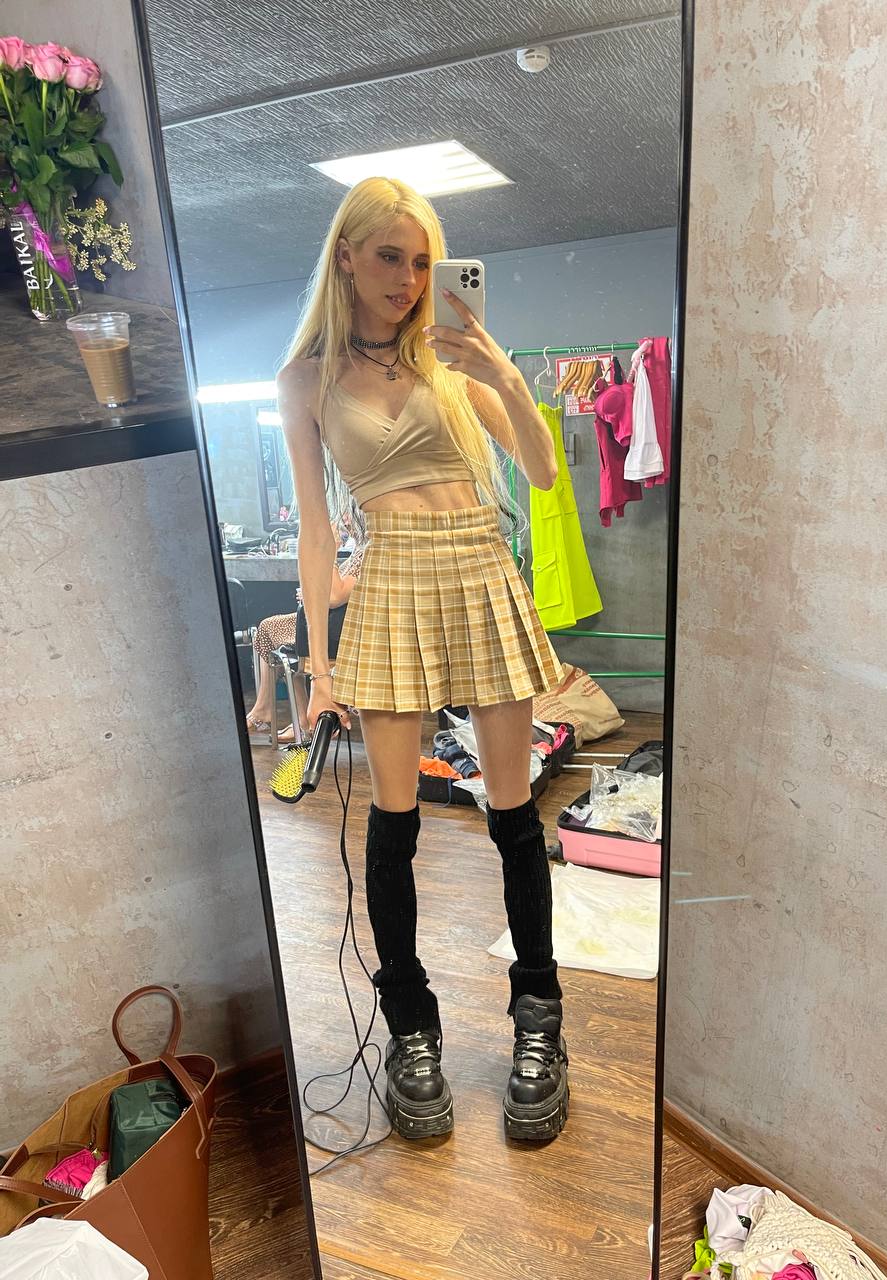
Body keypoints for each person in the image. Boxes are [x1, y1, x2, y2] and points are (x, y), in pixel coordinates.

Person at [278, 176, 569, 1143]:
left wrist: (502, 371)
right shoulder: (306, 380)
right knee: (394, 823)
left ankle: (540, 1018)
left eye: (421, 261)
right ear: (347, 256)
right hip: (392, 579)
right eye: (390, 257)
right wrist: (320, 665)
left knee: (513, 815)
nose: (407, 279)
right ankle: (411, 1029)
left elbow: (542, 471)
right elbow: (317, 531)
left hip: (481, 567)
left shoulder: (451, 358)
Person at [245, 534, 365, 740]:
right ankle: (282, 715)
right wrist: (312, 591)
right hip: (331, 620)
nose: (345, 521)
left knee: (270, 631)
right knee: (270, 631)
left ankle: (272, 713)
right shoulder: (360, 550)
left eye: (347, 518)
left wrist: (329, 551)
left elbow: (335, 596)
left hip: (341, 627)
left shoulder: (367, 553)